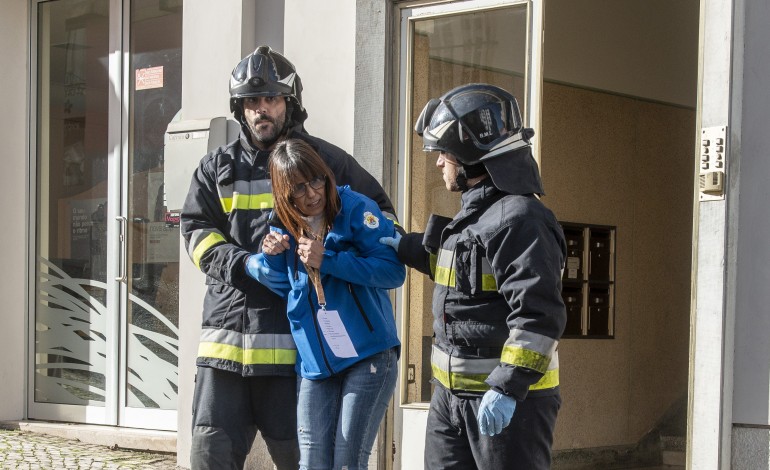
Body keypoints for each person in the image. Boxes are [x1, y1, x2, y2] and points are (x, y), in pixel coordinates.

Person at [180, 46, 398, 470]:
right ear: (240, 109)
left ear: (290, 103)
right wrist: (243, 264)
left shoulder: (325, 162)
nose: (261, 110)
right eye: (251, 102)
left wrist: (327, 258)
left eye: (271, 99)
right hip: (223, 349)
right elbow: (195, 234)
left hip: (296, 354)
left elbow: (383, 220)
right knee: (209, 460)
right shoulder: (215, 168)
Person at [380, 83, 567, 470]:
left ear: (471, 157)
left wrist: (507, 386)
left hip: (510, 404)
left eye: (444, 153)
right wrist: (399, 245)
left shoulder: (521, 220)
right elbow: (462, 282)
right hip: (450, 400)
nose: (438, 163)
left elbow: (538, 316)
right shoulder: (477, 216)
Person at [245, 138, 403, 470]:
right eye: (299, 189)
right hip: (316, 363)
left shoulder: (358, 208)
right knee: (313, 463)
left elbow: (392, 272)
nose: (313, 193)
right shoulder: (282, 223)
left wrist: (329, 260)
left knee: (347, 462)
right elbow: (287, 285)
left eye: (317, 180)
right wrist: (271, 256)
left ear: (327, 176)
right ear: (284, 195)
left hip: (369, 356)